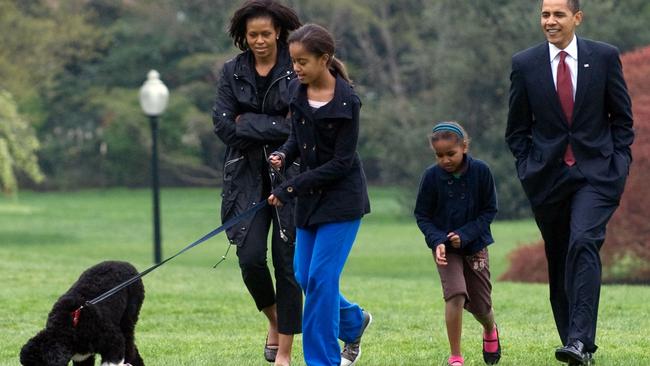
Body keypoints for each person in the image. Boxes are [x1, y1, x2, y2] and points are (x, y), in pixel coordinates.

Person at [505, 0, 634, 364]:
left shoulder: (604, 57)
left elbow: (622, 119)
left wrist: (619, 163)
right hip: (547, 178)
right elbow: (516, 129)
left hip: (597, 174)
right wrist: (528, 168)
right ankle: (575, 346)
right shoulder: (525, 64)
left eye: (558, 14)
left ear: (577, 18)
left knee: (583, 243)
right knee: (560, 258)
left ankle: (579, 341)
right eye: (545, 14)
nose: (550, 21)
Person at [267, 23, 372, 366]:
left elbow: (342, 163)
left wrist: (290, 187)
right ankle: (354, 322)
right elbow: (298, 139)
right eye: (293, 61)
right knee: (303, 276)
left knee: (323, 280)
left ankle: (321, 361)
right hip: (310, 198)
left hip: (342, 200)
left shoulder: (347, 102)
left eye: (302, 61)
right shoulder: (298, 94)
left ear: (324, 59)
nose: (296, 68)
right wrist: (285, 154)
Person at [211, 1, 302, 365]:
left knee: (287, 266)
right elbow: (222, 126)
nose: (260, 41)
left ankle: (284, 352)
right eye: (253, 35)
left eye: (266, 34)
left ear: (278, 31)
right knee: (249, 259)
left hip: (291, 178)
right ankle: (276, 319)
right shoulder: (232, 71)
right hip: (245, 180)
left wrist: (248, 121)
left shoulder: (296, 68)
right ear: (243, 37)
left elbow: (299, 125)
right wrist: (273, 123)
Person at [414, 122, 501, 366]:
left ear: (464, 146)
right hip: (444, 249)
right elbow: (422, 215)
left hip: (475, 246)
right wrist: (438, 240)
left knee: (481, 305)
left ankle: (490, 328)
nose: (445, 160)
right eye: (439, 155)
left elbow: (489, 210)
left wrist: (465, 234)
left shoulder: (481, 171)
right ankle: (456, 356)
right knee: (455, 294)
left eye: (450, 154)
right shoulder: (431, 177)